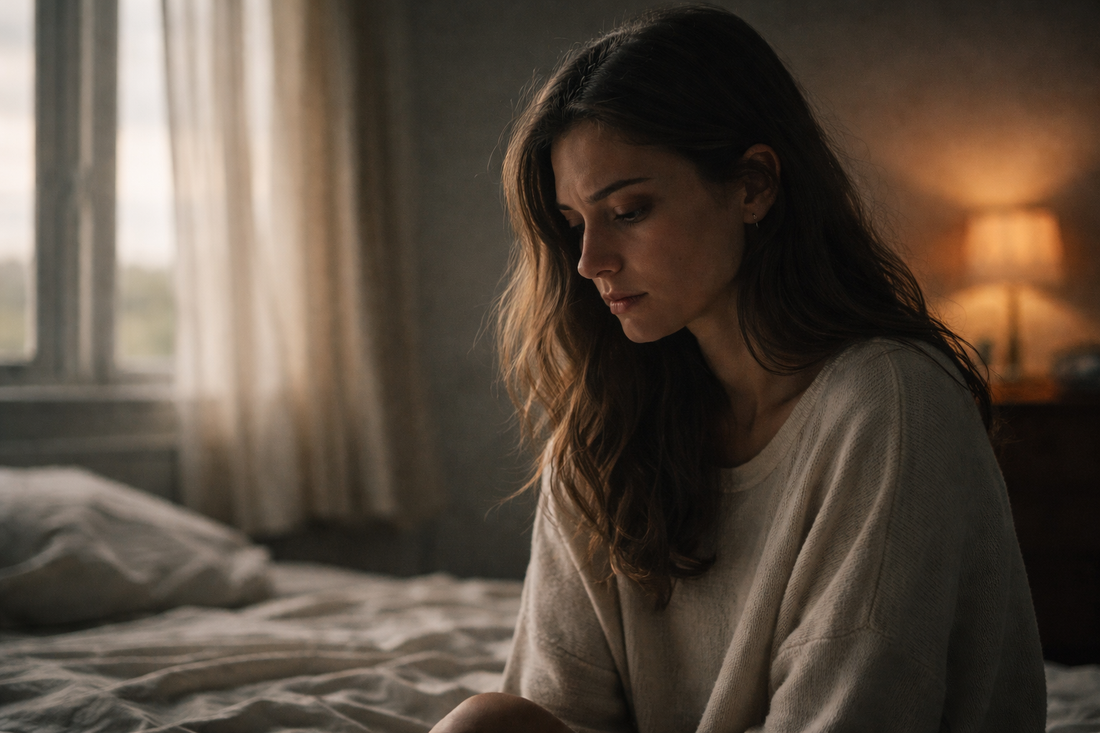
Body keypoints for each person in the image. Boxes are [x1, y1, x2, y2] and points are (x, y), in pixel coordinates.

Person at [432, 5, 1046, 732]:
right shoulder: (608, 426)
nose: (590, 261)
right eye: (573, 225)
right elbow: (563, 707)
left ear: (753, 185)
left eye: (628, 210)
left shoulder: (891, 402)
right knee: (488, 721)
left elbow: (852, 711)